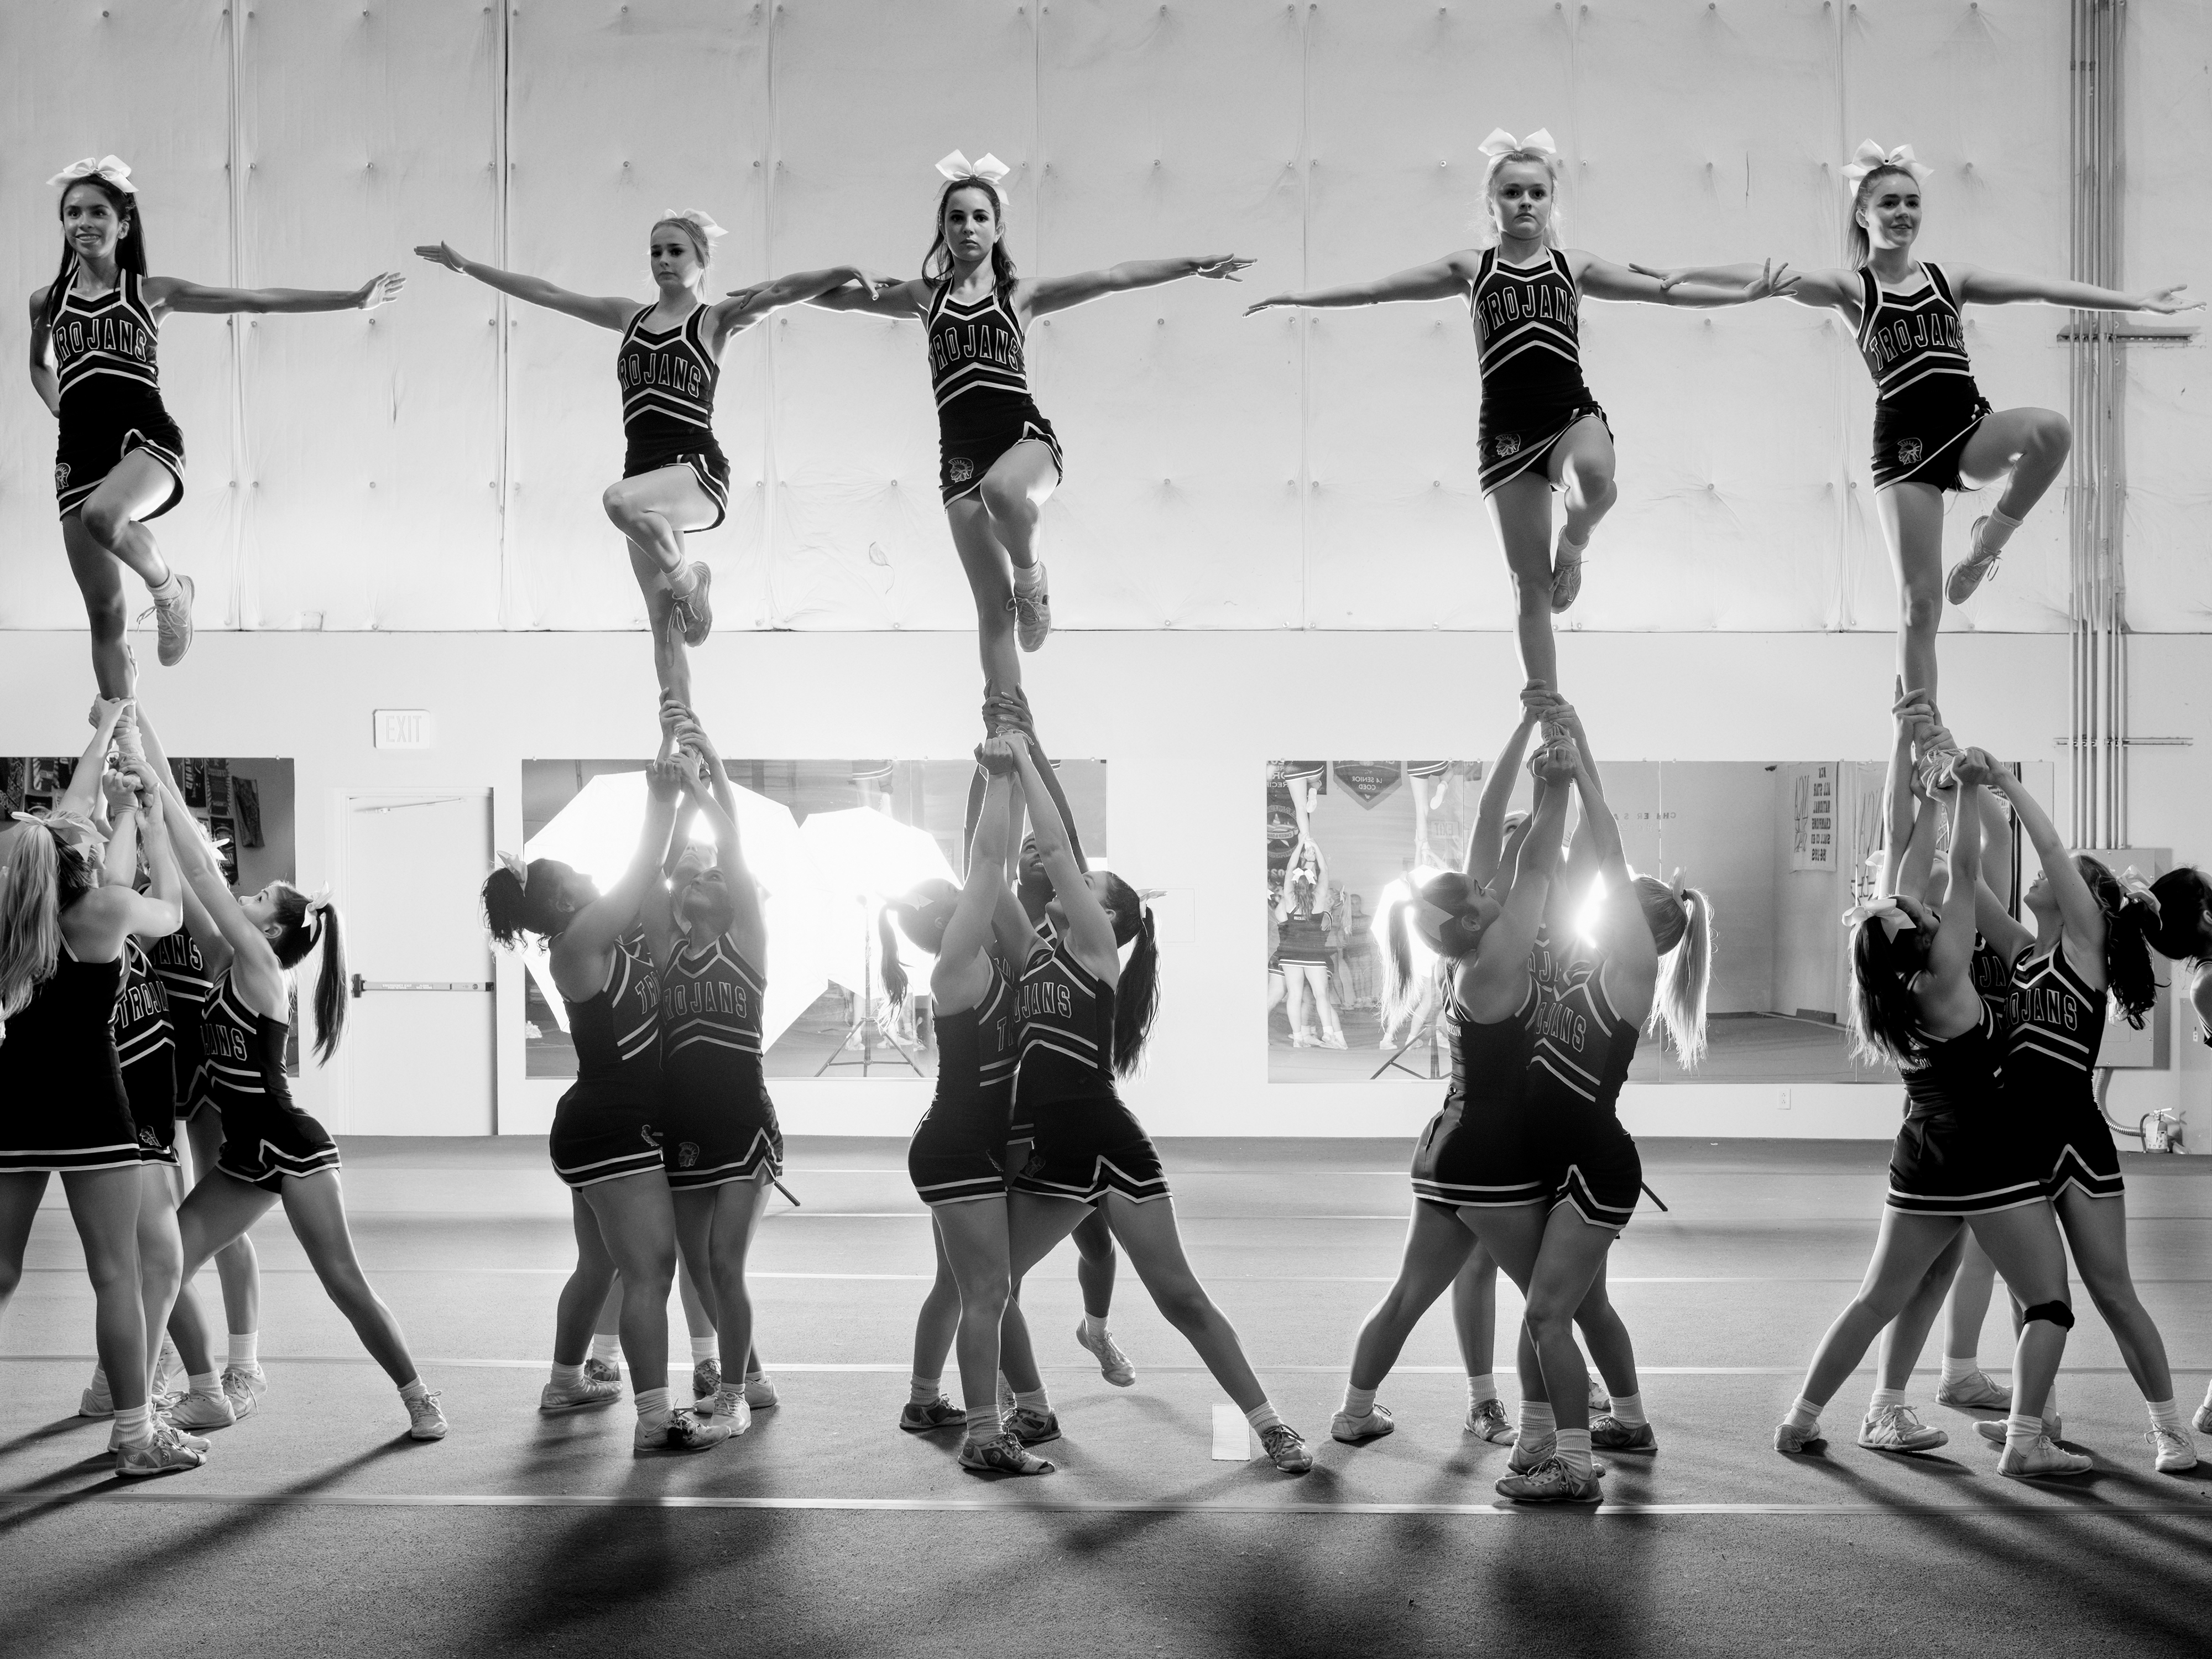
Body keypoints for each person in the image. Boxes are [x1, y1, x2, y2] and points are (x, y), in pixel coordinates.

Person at [1632, 141, 2198, 703]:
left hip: (1966, 431)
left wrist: (2135, 302)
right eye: (1889, 204)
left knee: (2051, 430)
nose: (1903, 213)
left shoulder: (1949, 280)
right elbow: (1766, 275)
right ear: (1863, 214)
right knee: (1919, 603)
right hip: (1905, 451)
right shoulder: (1853, 289)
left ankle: (1986, 545)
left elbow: (2043, 290)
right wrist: (1688, 272)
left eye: (1912, 202)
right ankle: (1923, 731)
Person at [1244, 129, 1788, 691]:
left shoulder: (1573, 267)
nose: (1524, 202)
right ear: (1491, 202)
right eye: (1511, 193)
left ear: (1552, 202)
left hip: (1568, 416)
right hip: (1505, 435)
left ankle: (1573, 547)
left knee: (1598, 480)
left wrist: (1742, 295)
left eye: (1536, 193)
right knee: (1528, 587)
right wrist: (1298, 298)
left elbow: (1665, 293)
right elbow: (1378, 288)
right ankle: (1546, 706)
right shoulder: (1470, 269)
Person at [806, 152, 1250, 691]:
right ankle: (1004, 721)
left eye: (979, 217)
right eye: (956, 217)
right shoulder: (925, 298)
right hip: (959, 458)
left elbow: (1112, 277)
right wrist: (839, 273)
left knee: (1003, 492)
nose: (967, 227)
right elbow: (835, 300)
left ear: (998, 228)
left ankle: (1032, 580)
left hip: (1023, 441)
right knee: (993, 613)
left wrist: (1189, 265)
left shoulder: (1021, 295)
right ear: (942, 229)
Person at [993, 735, 1314, 1473]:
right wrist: (1008, 768)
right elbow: (1012, 860)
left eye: (1087, 881)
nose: (1068, 879)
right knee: (990, 1287)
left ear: (1103, 912)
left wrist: (1029, 755)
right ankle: (1032, 1409)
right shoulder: (1036, 947)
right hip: (1053, 1155)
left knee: (1180, 1298)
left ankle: (1271, 1427)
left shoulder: (1096, 950)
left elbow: (1056, 849)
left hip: (1107, 1147)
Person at [129, 707, 446, 1445]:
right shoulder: (229, 957)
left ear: (271, 931)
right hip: (244, 1152)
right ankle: (178, 1391)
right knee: (166, 1256)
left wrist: (153, 779)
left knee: (343, 1281)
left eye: (264, 897)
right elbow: (188, 872)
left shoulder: (263, 968)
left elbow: (204, 870)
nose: (253, 891)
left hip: (292, 1143)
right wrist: (147, 737)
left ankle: (419, 1395)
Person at [1776, 755, 2086, 1479]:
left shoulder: (1889, 989)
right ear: (1920, 936)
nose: (1919, 904)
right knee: (2049, 1300)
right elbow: (1962, 871)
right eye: (1917, 914)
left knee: (1885, 1295)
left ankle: (1807, 1415)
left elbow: (1911, 881)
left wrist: (1932, 803)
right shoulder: (1948, 977)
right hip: (1984, 1155)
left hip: (1921, 1152)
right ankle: (2027, 1435)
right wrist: (1969, 790)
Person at [415, 221, 877, 701]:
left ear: (701, 262)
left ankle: (691, 582)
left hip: (695, 471)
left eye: (676, 251)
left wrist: (842, 269)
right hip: (645, 477)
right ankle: (679, 732)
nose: (663, 261)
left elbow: (781, 292)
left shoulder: (713, 321)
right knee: (663, 625)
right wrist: (469, 268)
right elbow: (549, 293)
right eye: (656, 252)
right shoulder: (628, 316)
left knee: (617, 503)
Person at [32, 156, 405, 691]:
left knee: (105, 516)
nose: (84, 223)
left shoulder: (150, 292)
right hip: (78, 455)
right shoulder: (46, 302)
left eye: (97, 212)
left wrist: (350, 299)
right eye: (73, 213)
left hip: (145, 440)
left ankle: (171, 593)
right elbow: (40, 365)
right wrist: (60, 408)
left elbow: (256, 300)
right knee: (106, 616)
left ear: (123, 224)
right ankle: (129, 746)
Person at [482, 758, 725, 1453]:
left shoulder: (600, 939)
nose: (591, 882)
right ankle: (655, 1418)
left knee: (603, 1267)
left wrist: (673, 762)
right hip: (613, 1126)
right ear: (560, 906)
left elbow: (657, 868)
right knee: (651, 1270)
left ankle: (565, 1381)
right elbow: (644, 866)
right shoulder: (581, 943)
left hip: (601, 1123)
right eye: (575, 881)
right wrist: (662, 795)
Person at [0, 707, 201, 1477]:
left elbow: (67, 817)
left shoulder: (19, 904)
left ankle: (133, 1429)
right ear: (80, 859)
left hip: (13, 1100)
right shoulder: (104, 910)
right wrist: (148, 821)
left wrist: (111, 732)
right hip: (90, 1103)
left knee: (1, 1273)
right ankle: (133, 1435)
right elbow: (174, 911)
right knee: (115, 1273)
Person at [886, 742, 1053, 1474]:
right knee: (987, 1290)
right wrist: (995, 775)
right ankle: (986, 1438)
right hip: (958, 1148)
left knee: (957, 1285)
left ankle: (925, 1400)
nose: (977, 901)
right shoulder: (957, 968)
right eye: (961, 906)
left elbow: (995, 868)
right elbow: (987, 866)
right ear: (949, 923)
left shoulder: (994, 961)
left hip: (968, 1143)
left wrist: (1000, 774)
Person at [639, 726, 786, 1428]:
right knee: (696, 1267)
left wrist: (709, 777)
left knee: (727, 1262)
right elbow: (653, 875)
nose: (704, 877)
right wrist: (665, 794)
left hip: (741, 1120)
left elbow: (732, 848)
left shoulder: (747, 946)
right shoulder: (667, 952)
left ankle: (732, 1400)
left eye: (715, 878)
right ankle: (749, 1376)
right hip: (686, 1126)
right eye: (693, 877)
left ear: (735, 900)